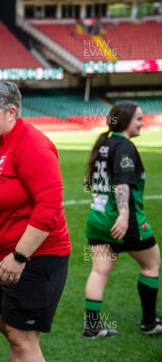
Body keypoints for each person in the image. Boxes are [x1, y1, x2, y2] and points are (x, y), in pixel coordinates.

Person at [0, 81, 71, 362]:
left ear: (11, 112)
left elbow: (48, 207)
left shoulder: (32, 145)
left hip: (35, 258)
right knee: (9, 328)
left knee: (20, 340)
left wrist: (20, 255)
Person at [84, 101, 161, 338]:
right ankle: (150, 323)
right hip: (120, 220)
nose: (142, 122)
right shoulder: (124, 146)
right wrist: (125, 216)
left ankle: (92, 328)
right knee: (151, 264)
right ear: (126, 121)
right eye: (139, 118)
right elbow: (121, 183)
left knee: (99, 271)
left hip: (97, 218)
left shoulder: (104, 143)